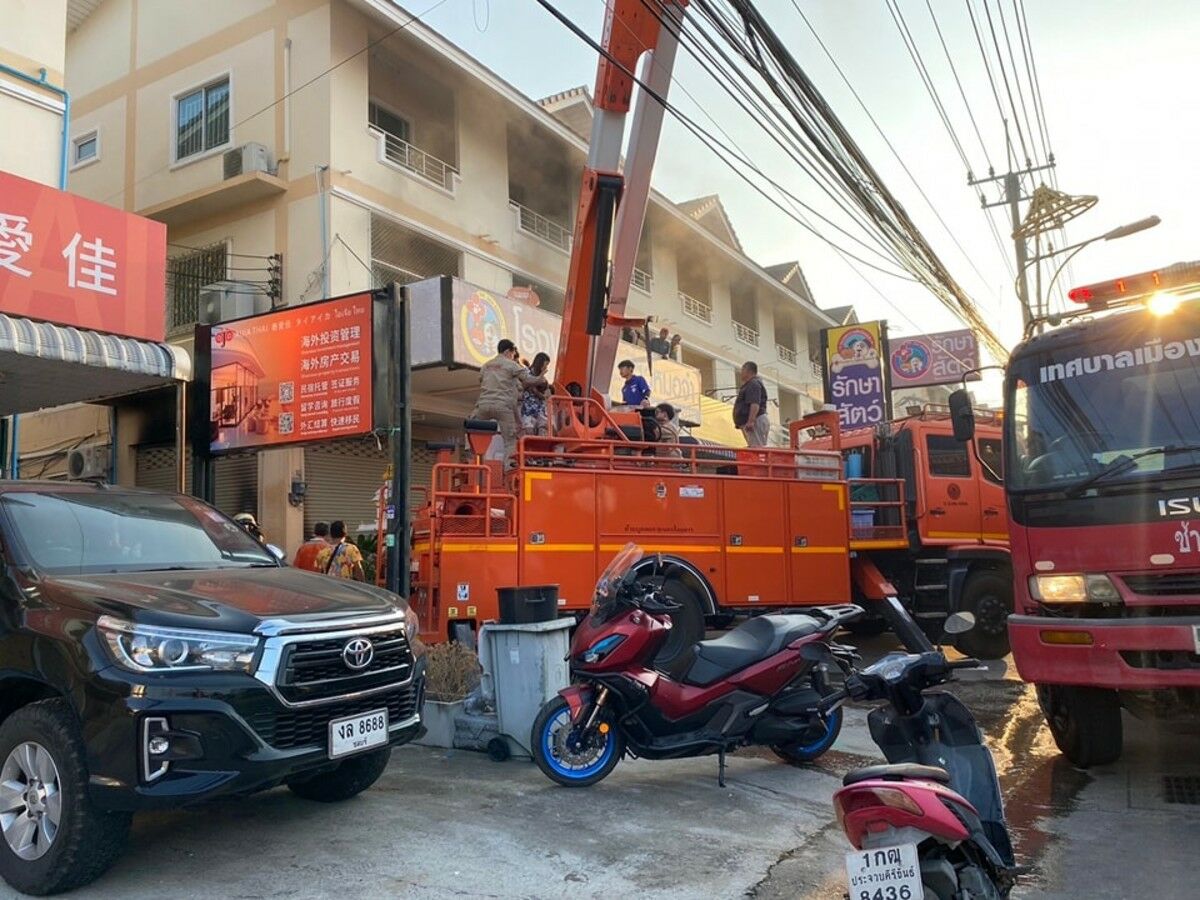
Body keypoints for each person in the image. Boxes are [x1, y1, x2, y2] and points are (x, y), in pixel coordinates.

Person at [472, 338, 547, 468]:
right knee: (510, 441)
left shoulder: (486, 365)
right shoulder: (511, 365)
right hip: (503, 407)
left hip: (483, 406)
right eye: (513, 353)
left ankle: (472, 460)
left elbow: (481, 379)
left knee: (472, 430)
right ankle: (509, 468)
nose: (513, 356)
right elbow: (529, 379)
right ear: (508, 351)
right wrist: (540, 377)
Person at [733, 361, 771, 447]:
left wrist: (751, 421)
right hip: (754, 420)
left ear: (748, 371)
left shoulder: (753, 384)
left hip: (756, 420)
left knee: (756, 448)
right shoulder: (752, 384)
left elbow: (754, 403)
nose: (741, 373)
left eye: (742, 370)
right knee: (754, 447)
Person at [520, 352, 552, 436]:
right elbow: (525, 385)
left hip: (540, 409)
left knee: (543, 432)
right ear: (539, 363)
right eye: (545, 365)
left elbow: (546, 393)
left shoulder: (543, 378)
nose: (546, 368)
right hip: (528, 408)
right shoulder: (526, 372)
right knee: (529, 432)